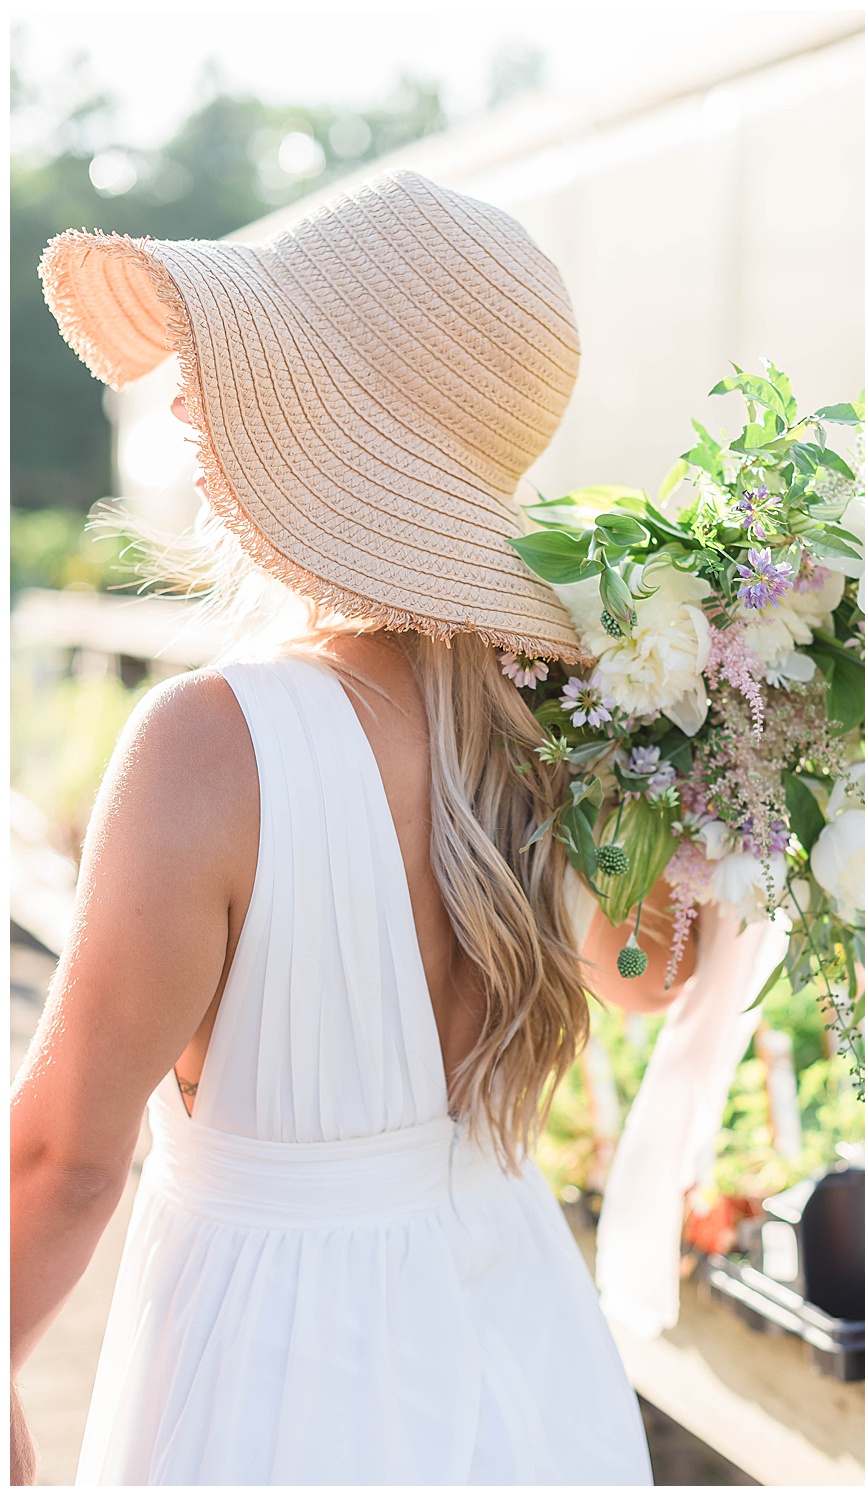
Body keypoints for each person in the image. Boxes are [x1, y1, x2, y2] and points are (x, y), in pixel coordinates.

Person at [10, 170, 680, 1484]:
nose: (188, 398)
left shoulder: (212, 745)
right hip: (525, 1367)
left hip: (274, 1382)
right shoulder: (565, 736)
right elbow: (645, 982)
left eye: (242, 371)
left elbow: (66, 1154)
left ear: (329, 434)